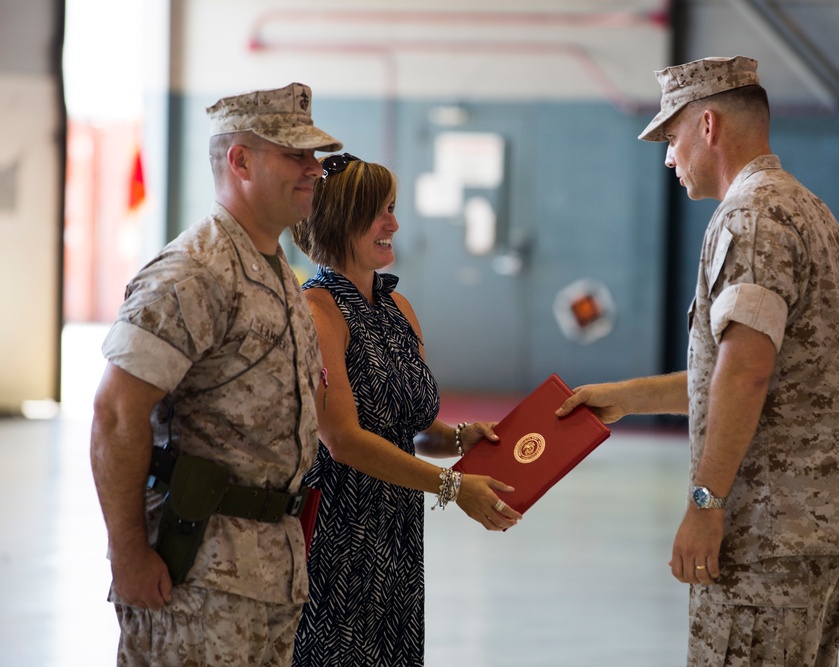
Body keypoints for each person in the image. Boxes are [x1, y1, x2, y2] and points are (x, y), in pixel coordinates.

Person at [557, 56, 839, 666]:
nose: (670, 159)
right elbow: (756, 373)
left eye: (672, 139)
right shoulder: (807, 209)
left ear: (708, 126)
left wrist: (706, 504)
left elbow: (748, 370)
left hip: (764, 530)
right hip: (810, 531)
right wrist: (627, 397)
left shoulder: (749, 218)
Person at [90, 82, 342, 666]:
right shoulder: (193, 273)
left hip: (269, 570)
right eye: (296, 155)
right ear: (240, 160)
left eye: (315, 157)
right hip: (197, 575)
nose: (314, 170)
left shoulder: (275, 268)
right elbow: (115, 412)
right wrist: (127, 552)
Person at [289, 152, 522, 665]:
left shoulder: (398, 310)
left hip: (396, 527)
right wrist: (452, 486)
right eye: (378, 212)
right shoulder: (317, 312)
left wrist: (461, 439)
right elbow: (344, 440)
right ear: (338, 221)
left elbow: (409, 426)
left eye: (392, 208)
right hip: (339, 532)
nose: (393, 224)